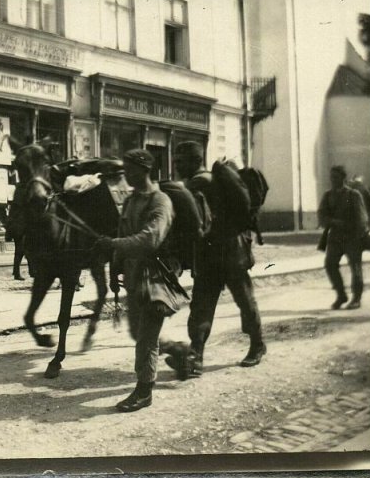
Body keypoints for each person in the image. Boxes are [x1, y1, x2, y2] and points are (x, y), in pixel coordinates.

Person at [171, 141, 266, 376]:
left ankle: (257, 344)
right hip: (213, 252)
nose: (176, 166)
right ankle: (196, 355)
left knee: (242, 300)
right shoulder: (201, 182)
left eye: (180, 161)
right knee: (203, 303)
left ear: (195, 160)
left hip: (229, 251)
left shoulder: (199, 182)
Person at [94, 149, 178, 413]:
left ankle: (144, 391)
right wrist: (115, 269)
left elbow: (151, 238)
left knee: (146, 338)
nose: (126, 176)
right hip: (133, 275)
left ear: (144, 171)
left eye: (130, 171)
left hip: (155, 277)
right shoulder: (131, 200)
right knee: (136, 332)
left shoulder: (160, 201)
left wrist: (114, 244)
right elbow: (123, 231)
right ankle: (180, 352)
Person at [318, 165, 369, 310]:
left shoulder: (353, 195)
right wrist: (332, 222)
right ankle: (341, 295)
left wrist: (354, 231)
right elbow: (321, 216)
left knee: (355, 267)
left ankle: (356, 298)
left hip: (352, 237)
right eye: (331, 177)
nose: (333, 180)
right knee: (330, 265)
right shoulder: (328, 196)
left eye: (336, 177)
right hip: (335, 237)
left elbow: (361, 219)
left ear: (343, 178)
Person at [6, 182, 28, 280]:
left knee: (19, 251)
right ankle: (17, 272)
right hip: (21, 230)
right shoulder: (21, 207)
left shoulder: (15, 206)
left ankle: (16, 272)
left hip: (18, 229)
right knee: (21, 250)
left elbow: (10, 219)